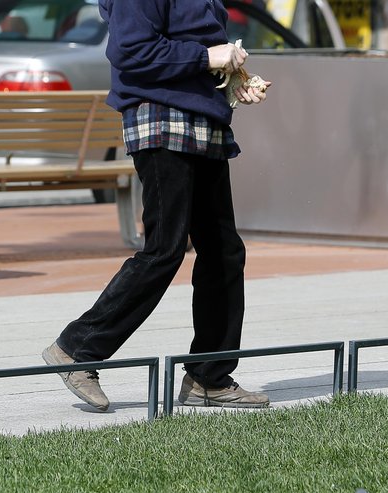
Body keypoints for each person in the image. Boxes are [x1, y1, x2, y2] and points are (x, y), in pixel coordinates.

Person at [43, 0, 271, 412]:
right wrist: (207, 56)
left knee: (223, 252)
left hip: (201, 122)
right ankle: (76, 350)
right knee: (164, 249)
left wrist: (232, 74)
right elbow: (132, 52)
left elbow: (193, 47)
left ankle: (208, 377)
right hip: (162, 120)